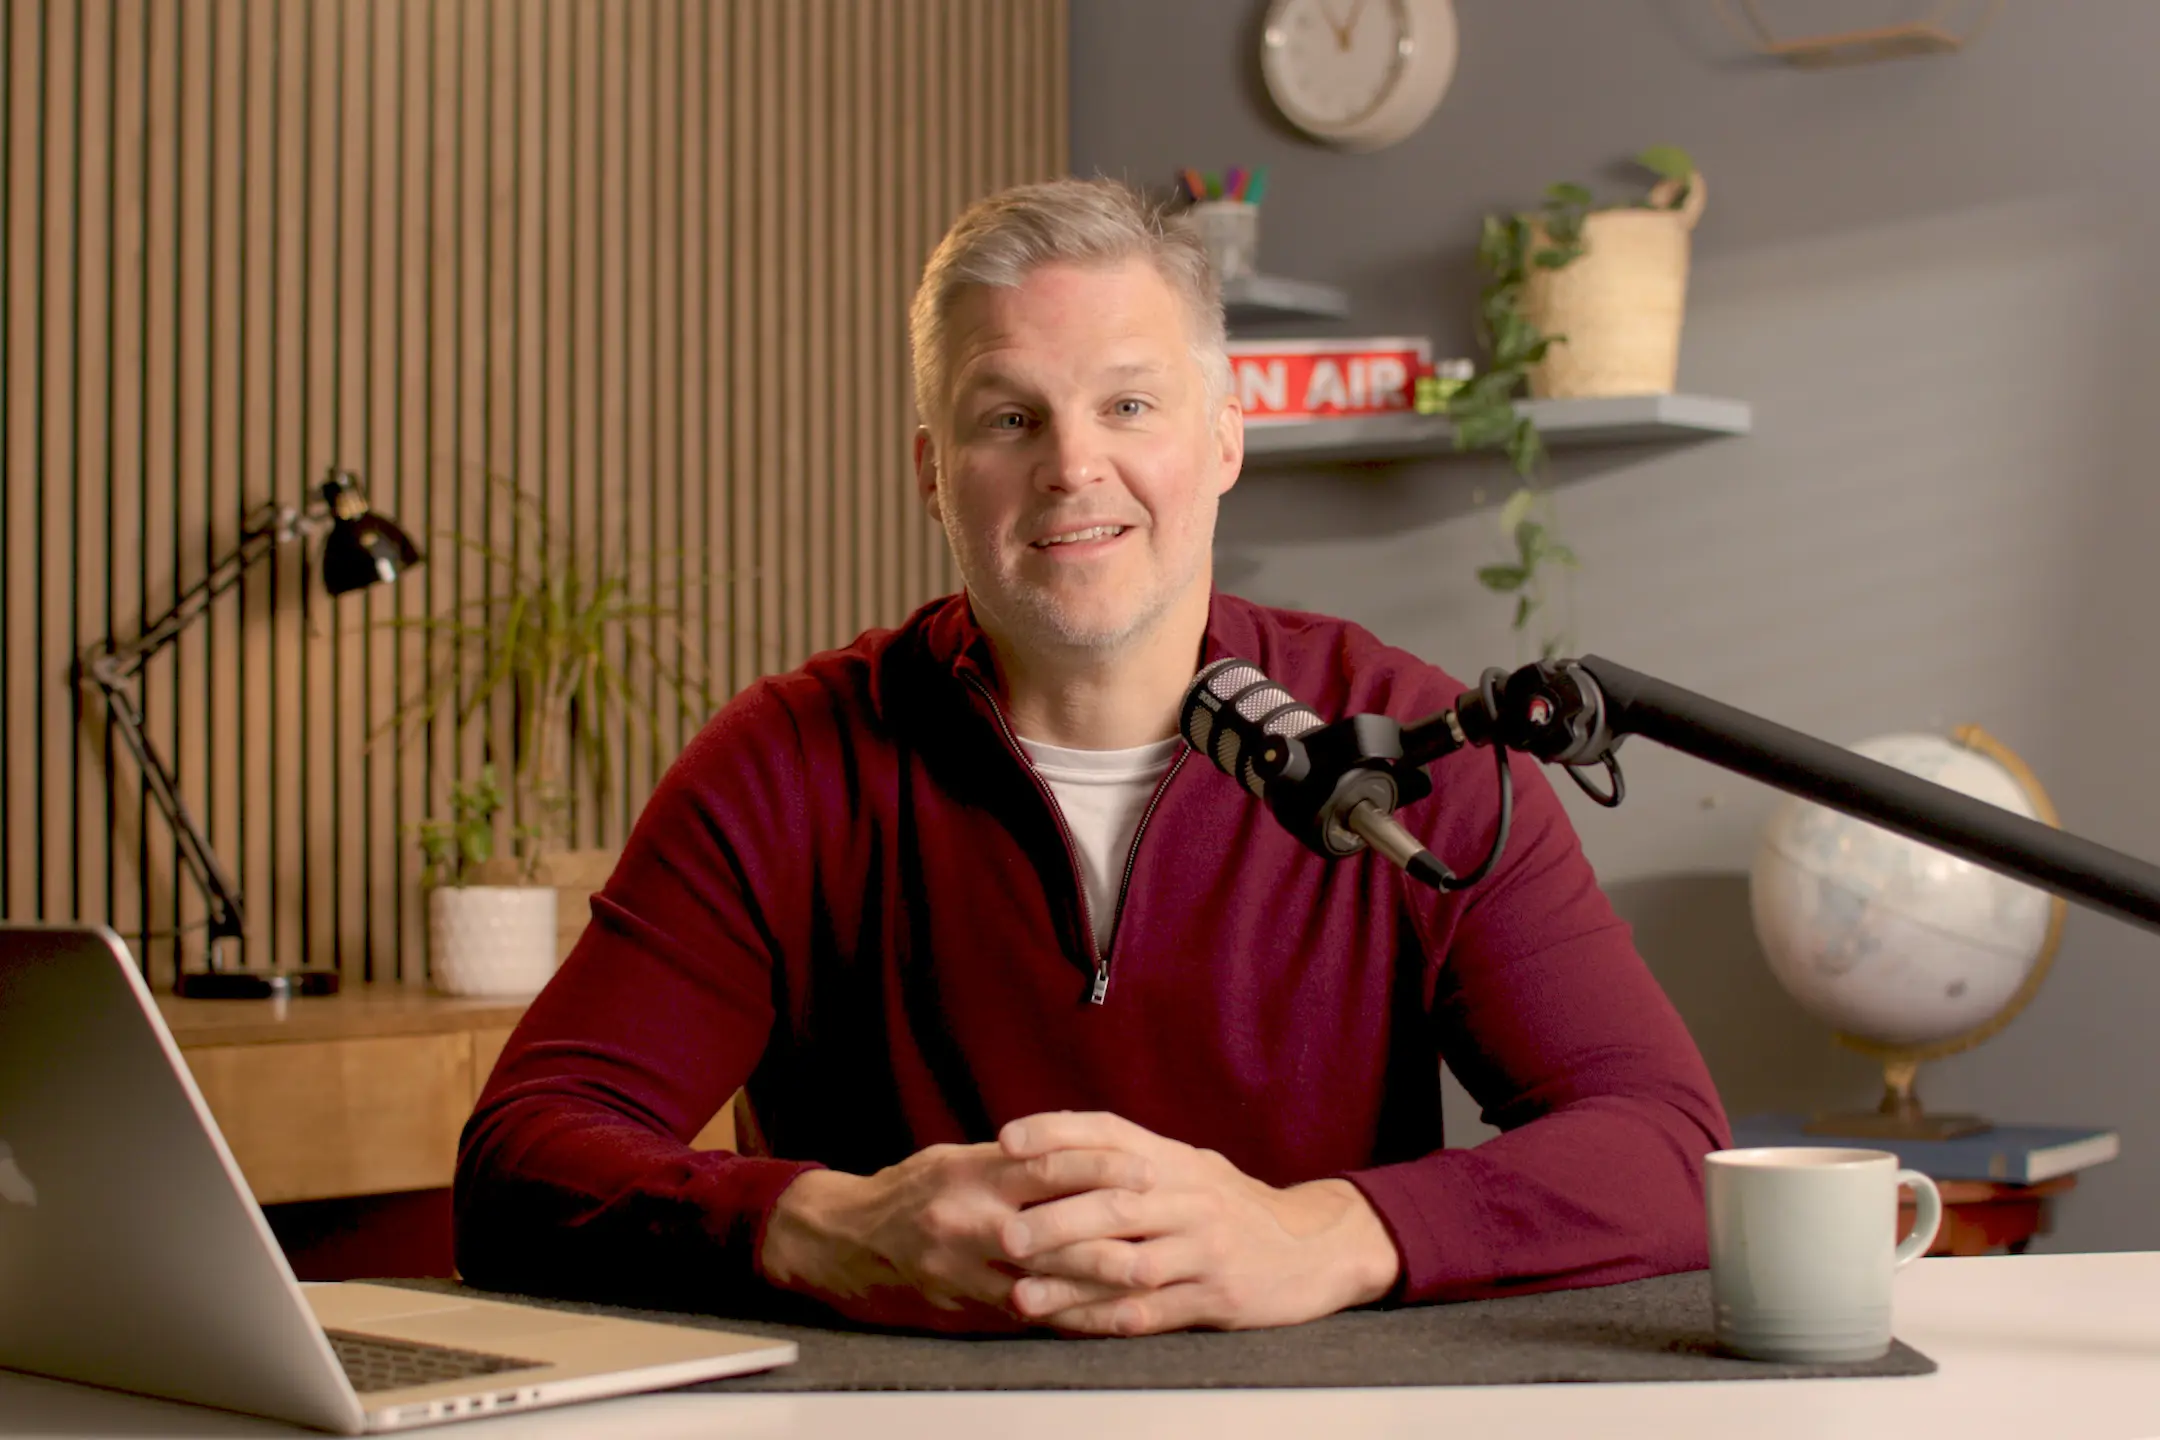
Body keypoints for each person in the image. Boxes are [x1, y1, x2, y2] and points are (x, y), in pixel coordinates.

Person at [454, 177, 1731, 1338]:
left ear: (1223, 440)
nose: (1073, 467)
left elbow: (1670, 1146)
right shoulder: (786, 763)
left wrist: (1327, 1234)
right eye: (1010, 417)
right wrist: (827, 1228)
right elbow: (521, 1158)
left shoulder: (1408, 741)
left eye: (1128, 405)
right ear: (934, 475)